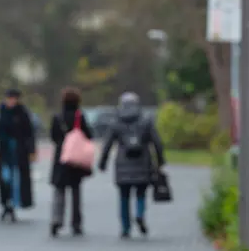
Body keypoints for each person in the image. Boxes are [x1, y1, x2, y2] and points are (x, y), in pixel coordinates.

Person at [99, 91, 166, 239]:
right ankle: (140, 214)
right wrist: (160, 161)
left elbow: (107, 144)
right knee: (141, 193)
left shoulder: (116, 122)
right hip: (143, 162)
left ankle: (125, 228)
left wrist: (102, 162)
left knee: (124, 197)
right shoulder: (146, 121)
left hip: (123, 164)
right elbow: (157, 143)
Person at [49, 86, 93, 237]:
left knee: (59, 190)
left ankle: (57, 220)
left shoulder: (57, 117)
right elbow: (89, 135)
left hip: (61, 158)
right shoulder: (79, 117)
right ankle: (76, 223)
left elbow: (53, 137)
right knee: (76, 192)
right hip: (76, 159)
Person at [0, 88, 36, 222]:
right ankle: (5, 204)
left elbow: (29, 132)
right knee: (4, 178)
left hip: (19, 150)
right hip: (5, 151)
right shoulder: (2, 112)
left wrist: (31, 150)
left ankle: (12, 205)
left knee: (16, 180)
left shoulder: (22, 113)